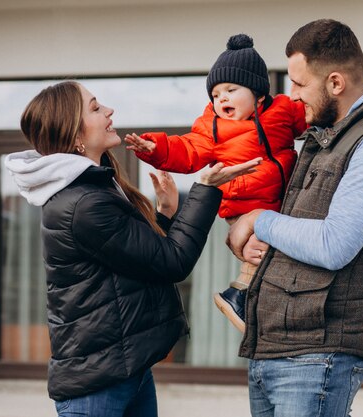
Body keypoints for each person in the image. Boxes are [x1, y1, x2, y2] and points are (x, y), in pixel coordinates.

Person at [3, 80, 260, 417]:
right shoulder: (84, 204)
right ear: (75, 136)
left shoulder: (92, 189)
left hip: (124, 370)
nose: (109, 111)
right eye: (95, 108)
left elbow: (142, 261)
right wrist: (204, 189)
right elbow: (172, 263)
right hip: (97, 386)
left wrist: (167, 215)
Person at [227, 19, 363, 417]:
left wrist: (259, 219)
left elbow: (335, 245)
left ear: (335, 83)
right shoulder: (326, 135)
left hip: (318, 358)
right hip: (278, 350)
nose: (292, 96)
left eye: (299, 84)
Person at [125, 34, 306, 332]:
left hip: (277, 202)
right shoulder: (213, 128)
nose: (221, 98)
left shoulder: (283, 111)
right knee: (260, 249)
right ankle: (238, 297)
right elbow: (187, 149)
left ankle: (250, 299)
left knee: (277, 252)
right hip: (242, 205)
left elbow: (313, 115)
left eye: (231, 90)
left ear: (259, 94)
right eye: (216, 93)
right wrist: (157, 149)